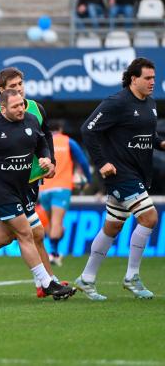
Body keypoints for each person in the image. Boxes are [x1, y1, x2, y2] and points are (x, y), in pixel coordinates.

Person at [0, 89, 74, 301]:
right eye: (15, 106)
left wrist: (46, 158)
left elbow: (41, 144)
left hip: (22, 189)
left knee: (3, 236)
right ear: (3, 108)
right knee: (26, 234)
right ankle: (46, 283)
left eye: (22, 104)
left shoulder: (30, 119)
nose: (21, 109)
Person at [75, 57, 163, 301]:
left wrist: (162, 143)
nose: (152, 82)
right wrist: (102, 163)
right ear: (133, 79)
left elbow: (149, 136)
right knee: (149, 217)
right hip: (120, 174)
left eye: (154, 78)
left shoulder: (151, 104)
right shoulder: (116, 102)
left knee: (112, 226)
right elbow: (87, 129)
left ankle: (87, 278)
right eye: (147, 78)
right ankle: (131, 277)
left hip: (137, 173)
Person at [38, 120, 92, 266]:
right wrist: (89, 179)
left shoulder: (43, 143)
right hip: (61, 188)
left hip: (43, 189)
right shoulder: (68, 142)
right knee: (57, 223)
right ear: (61, 129)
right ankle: (54, 254)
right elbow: (83, 161)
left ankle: (52, 250)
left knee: (50, 224)